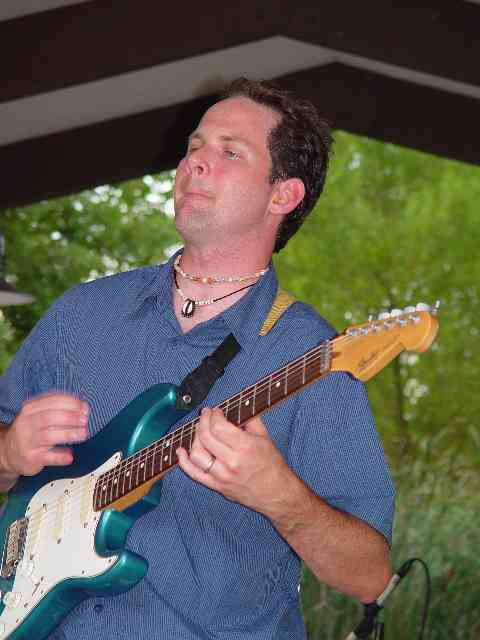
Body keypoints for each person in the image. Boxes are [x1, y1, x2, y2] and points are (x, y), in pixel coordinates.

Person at [0, 78, 395, 640]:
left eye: (230, 152)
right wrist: (9, 451)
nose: (195, 163)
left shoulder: (315, 357)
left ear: (283, 195)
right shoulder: (84, 314)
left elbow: (370, 576)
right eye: (194, 147)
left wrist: (282, 497)